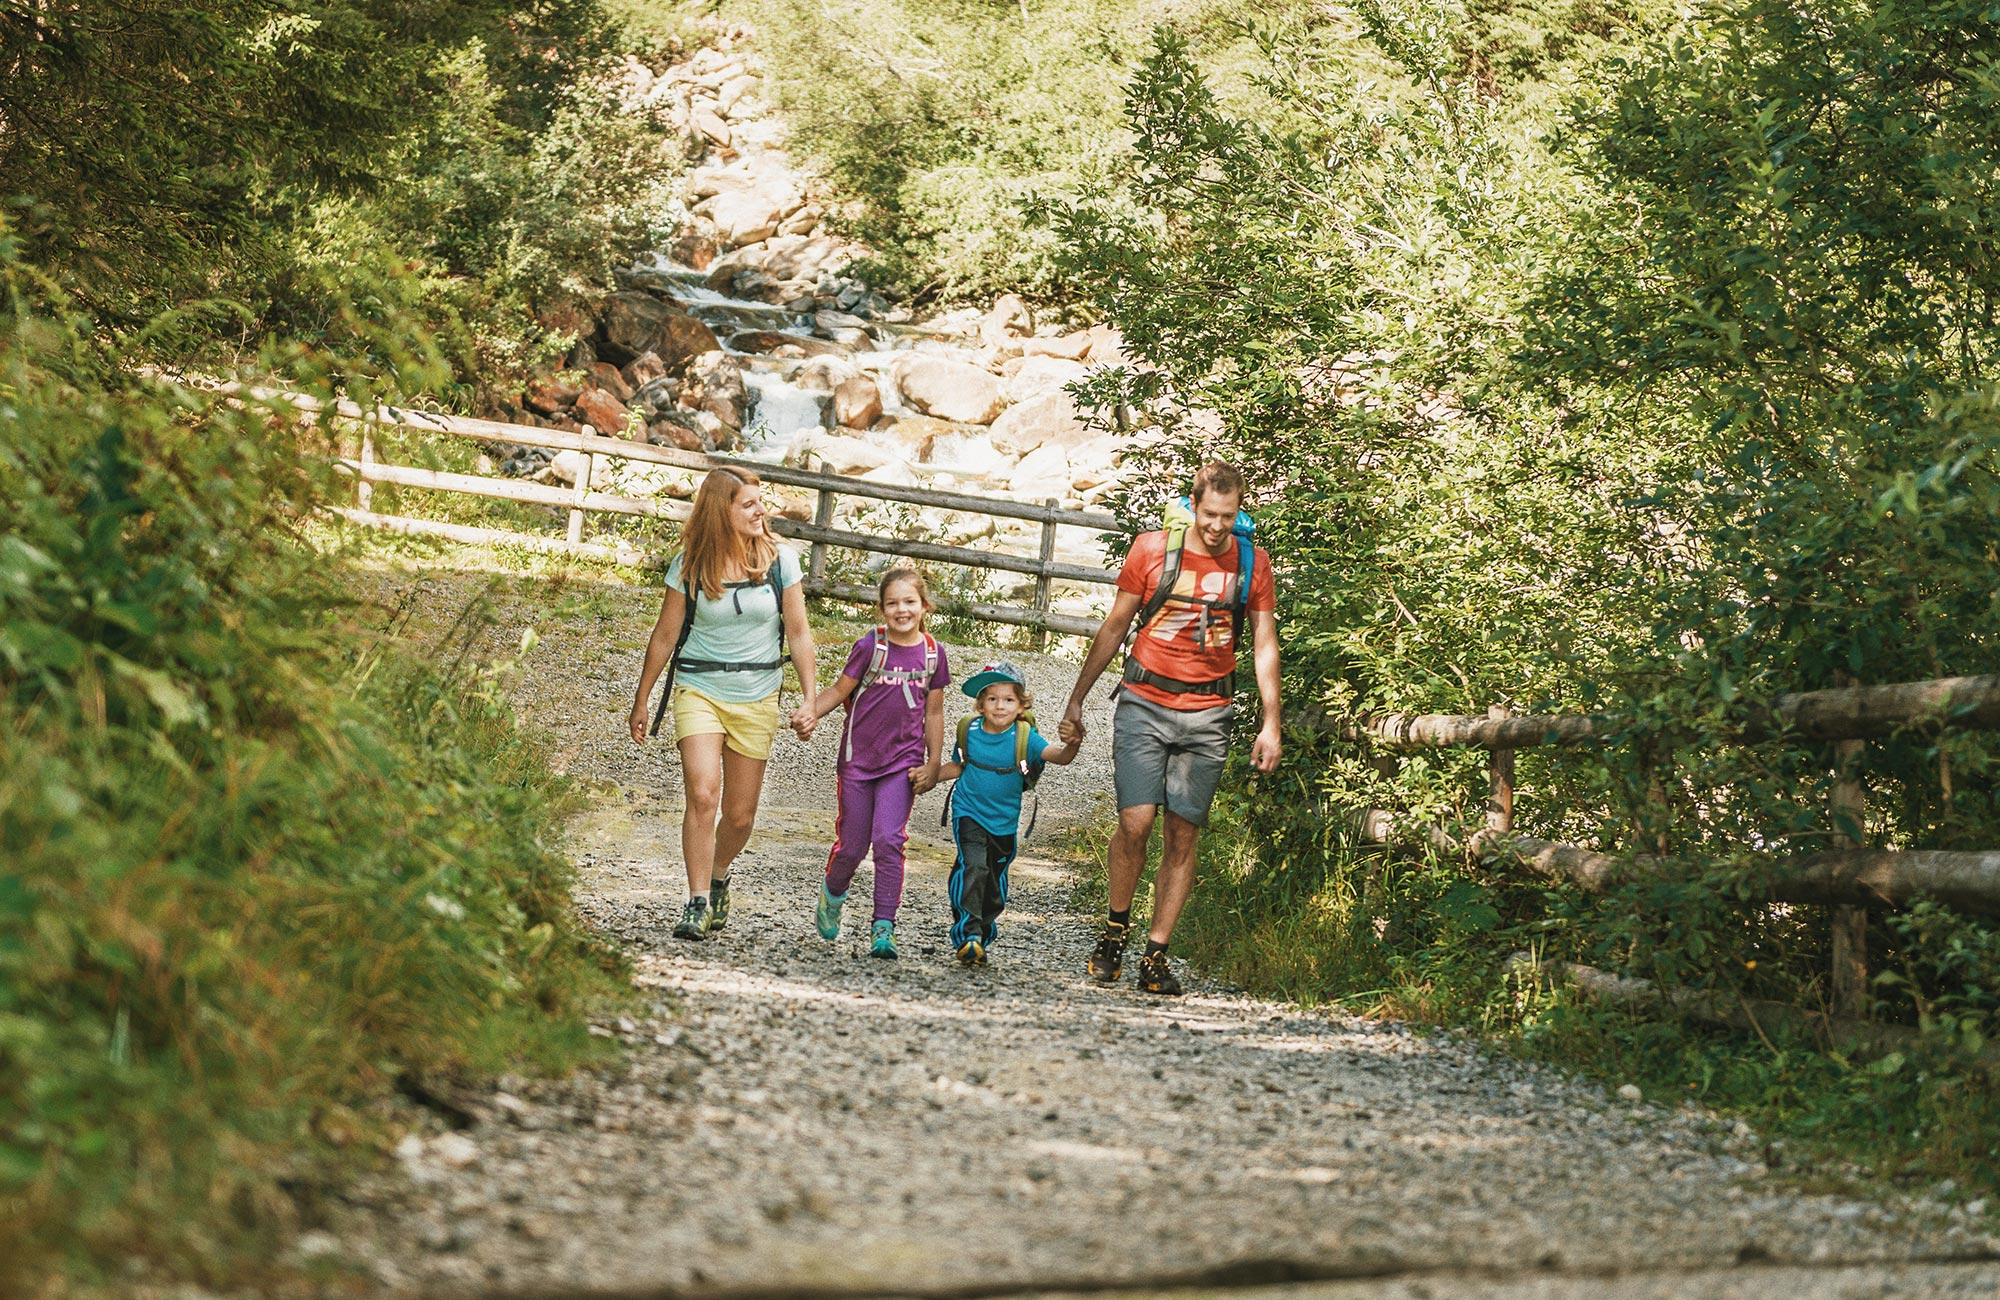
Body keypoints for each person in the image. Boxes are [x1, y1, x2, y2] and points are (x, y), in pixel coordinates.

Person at [1060, 461, 1280, 996]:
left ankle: (1156, 953)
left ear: (1239, 512)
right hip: (1145, 701)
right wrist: (1077, 698)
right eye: (1209, 514)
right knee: (1135, 822)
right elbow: (1116, 624)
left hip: (1209, 713)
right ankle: (1115, 929)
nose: (1217, 526)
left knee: (1183, 834)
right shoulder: (1152, 550)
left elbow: (1264, 643)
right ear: (1193, 504)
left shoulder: (1252, 563)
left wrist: (1271, 722)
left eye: (1228, 516)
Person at [629, 466, 818, 941]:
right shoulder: (690, 565)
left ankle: (717, 874)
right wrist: (642, 698)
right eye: (748, 504)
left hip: (758, 694)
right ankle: (696, 901)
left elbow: (799, 633)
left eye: (760, 502)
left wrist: (810, 699)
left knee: (739, 816)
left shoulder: (780, 561)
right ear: (721, 511)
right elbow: (665, 635)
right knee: (702, 793)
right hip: (699, 689)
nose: (761, 511)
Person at [798, 567, 949, 959]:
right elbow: (840, 690)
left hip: (903, 763)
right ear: (881, 609)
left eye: (909, 602)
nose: (902, 610)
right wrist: (811, 712)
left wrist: (934, 763)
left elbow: (934, 713)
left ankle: (884, 927)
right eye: (892, 603)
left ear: (924, 605)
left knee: (888, 840)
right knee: (852, 846)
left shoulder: (933, 654)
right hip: (858, 762)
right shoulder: (870, 646)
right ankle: (833, 892)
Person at [939, 661, 1082, 967]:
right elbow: (957, 766)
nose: (1000, 706)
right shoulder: (969, 731)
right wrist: (927, 777)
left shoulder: (1025, 737)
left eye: (1008, 699)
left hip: (1004, 823)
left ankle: (982, 932)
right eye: (992, 698)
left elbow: (1059, 757)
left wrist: (1073, 743)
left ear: (1021, 705)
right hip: (968, 812)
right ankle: (968, 934)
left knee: (993, 883)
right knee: (974, 867)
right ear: (981, 704)